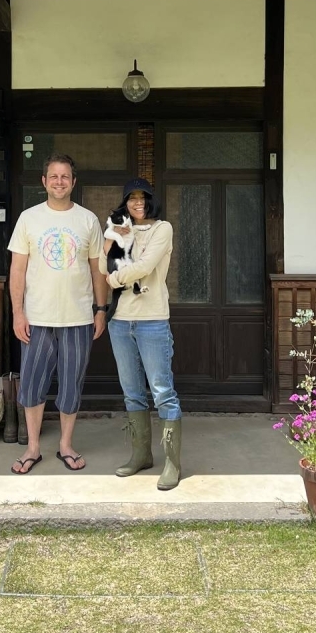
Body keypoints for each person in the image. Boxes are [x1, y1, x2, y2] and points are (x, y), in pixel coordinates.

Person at [7, 153, 109, 474]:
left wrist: (101, 309)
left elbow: (98, 271)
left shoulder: (87, 220)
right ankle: (33, 448)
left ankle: (65, 445)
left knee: (71, 383)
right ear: (44, 182)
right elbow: (17, 270)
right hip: (36, 319)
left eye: (65, 177)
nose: (59, 182)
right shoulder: (29, 219)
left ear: (73, 182)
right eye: (54, 176)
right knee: (33, 383)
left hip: (77, 318)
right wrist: (17, 313)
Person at [99, 178, 182, 490]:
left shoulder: (163, 228)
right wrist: (111, 241)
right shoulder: (119, 227)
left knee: (162, 392)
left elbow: (145, 265)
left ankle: (172, 463)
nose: (138, 203)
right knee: (132, 392)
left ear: (150, 201)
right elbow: (101, 260)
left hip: (152, 319)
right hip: (120, 321)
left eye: (143, 198)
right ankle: (140, 456)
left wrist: (115, 278)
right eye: (131, 199)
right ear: (125, 203)